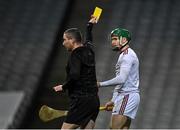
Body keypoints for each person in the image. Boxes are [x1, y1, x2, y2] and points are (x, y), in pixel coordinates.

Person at [53, 16, 100, 129]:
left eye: (65, 39)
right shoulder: (89, 50)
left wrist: (63, 87)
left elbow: (74, 75)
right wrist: (89, 26)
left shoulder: (75, 54)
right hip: (94, 100)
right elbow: (89, 40)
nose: (63, 43)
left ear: (72, 40)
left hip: (81, 100)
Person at [98, 28, 140, 129]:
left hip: (127, 96)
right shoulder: (123, 55)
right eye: (112, 39)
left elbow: (121, 79)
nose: (113, 42)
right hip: (125, 96)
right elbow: (121, 82)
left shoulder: (127, 56)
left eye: (115, 39)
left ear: (124, 40)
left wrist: (100, 84)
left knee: (114, 128)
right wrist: (113, 100)